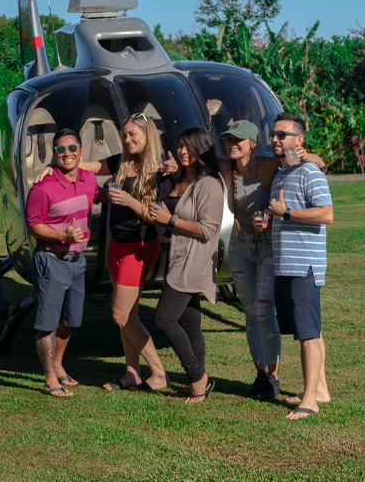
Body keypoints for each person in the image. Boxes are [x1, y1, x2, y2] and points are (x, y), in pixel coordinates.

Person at [37, 113, 171, 391]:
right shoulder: (121, 161)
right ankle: (131, 373)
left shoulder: (160, 170)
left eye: (133, 134)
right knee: (129, 314)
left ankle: (158, 373)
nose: (127, 139)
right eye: (124, 134)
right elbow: (84, 164)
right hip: (119, 245)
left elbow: (158, 218)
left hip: (140, 247)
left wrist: (131, 202)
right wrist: (54, 166)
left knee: (120, 315)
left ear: (148, 135)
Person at [216, 119, 326, 402]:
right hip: (239, 245)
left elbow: (313, 163)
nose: (232, 144)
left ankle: (275, 376)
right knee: (250, 312)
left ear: (252, 143)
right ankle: (261, 373)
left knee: (265, 311)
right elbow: (190, 161)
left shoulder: (269, 166)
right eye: (229, 139)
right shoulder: (226, 167)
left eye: (238, 139)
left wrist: (308, 155)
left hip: (267, 246)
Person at [147, 127, 224, 403]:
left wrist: (169, 221)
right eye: (179, 145)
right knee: (190, 323)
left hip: (194, 260)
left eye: (189, 146)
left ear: (202, 150)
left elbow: (207, 229)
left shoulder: (210, 184)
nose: (182, 151)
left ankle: (197, 378)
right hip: (175, 255)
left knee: (164, 318)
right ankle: (198, 382)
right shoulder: (180, 177)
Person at [265, 112, 333, 420]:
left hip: (304, 265)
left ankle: (309, 401)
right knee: (309, 331)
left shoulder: (310, 172)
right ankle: (320, 390)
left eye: (282, 134)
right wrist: (267, 220)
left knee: (308, 333)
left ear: (299, 140)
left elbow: (326, 214)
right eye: (274, 134)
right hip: (285, 266)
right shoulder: (280, 175)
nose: (276, 139)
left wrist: (287, 213)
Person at [24, 129, 101, 397]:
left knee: (69, 320)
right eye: (60, 149)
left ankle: (58, 366)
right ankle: (48, 380)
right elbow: (33, 226)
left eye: (71, 148)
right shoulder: (42, 188)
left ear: (81, 151)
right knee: (47, 322)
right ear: (54, 154)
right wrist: (62, 235)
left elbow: (99, 195)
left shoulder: (89, 180)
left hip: (77, 261)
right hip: (51, 260)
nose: (66, 153)